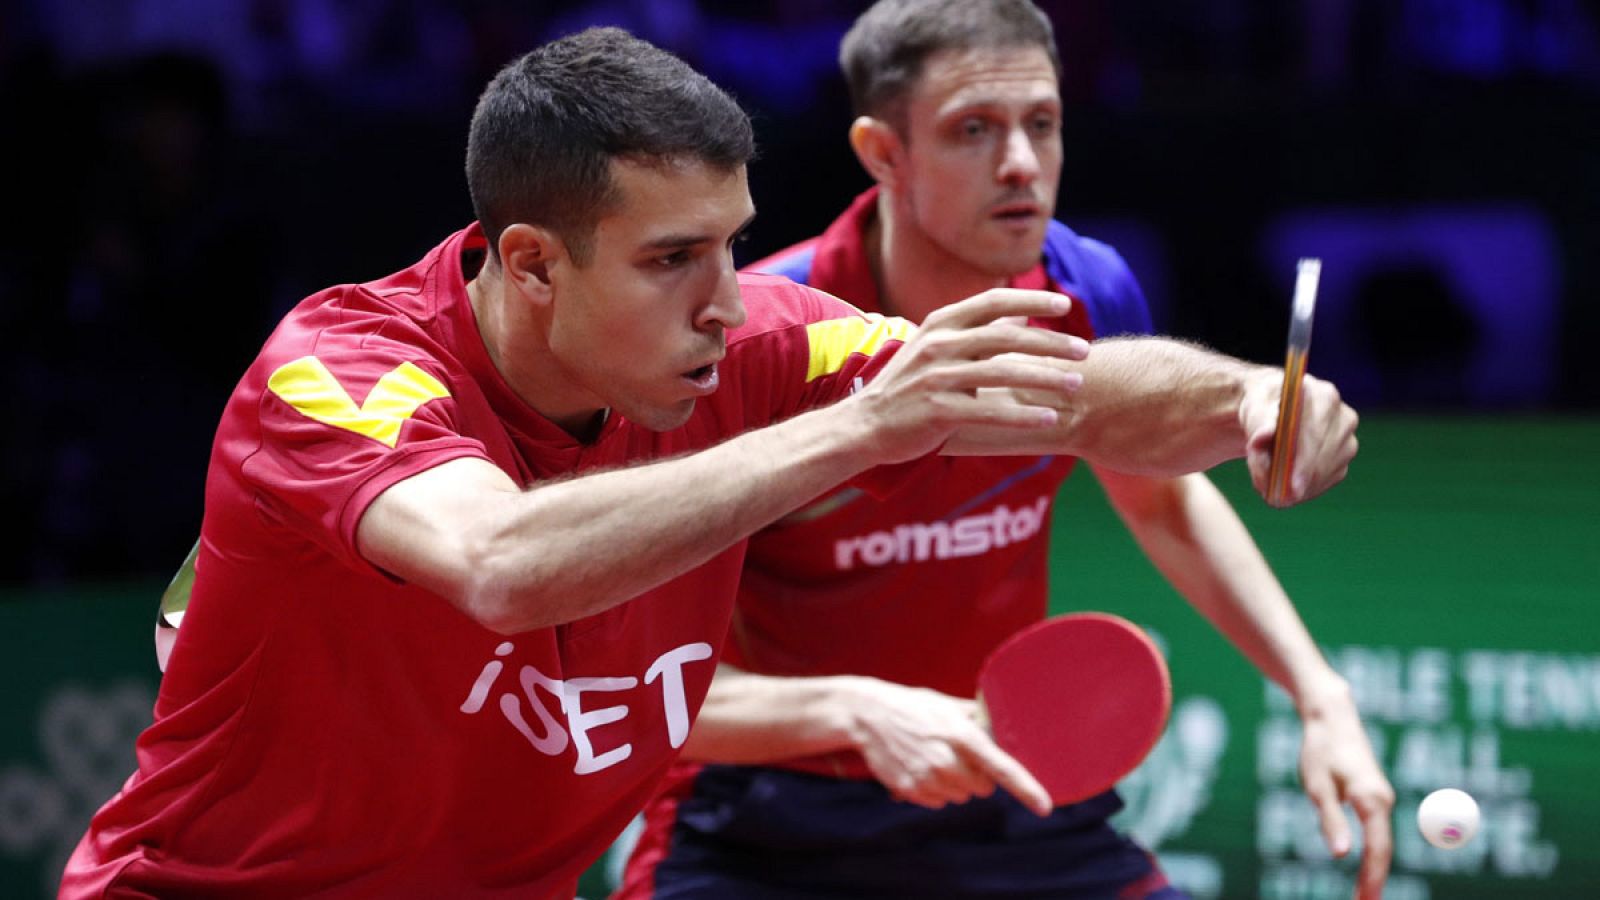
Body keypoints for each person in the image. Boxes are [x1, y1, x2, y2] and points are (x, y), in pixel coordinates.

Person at [60, 24, 1355, 900]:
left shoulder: (750, 343)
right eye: (672, 259)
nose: (730, 303)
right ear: (529, 264)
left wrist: (1247, 397)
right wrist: (857, 431)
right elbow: (501, 562)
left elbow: (1064, 395)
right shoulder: (338, 372)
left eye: (732, 246)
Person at [618, 2, 1394, 899]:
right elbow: (632, 686)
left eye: (1043, 124)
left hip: (1003, 787)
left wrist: (1318, 694)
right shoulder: (753, 335)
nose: (1022, 163)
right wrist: (847, 710)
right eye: (974, 130)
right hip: (763, 817)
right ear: (882, 152)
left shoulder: (1087, 292)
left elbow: (1164, 498)